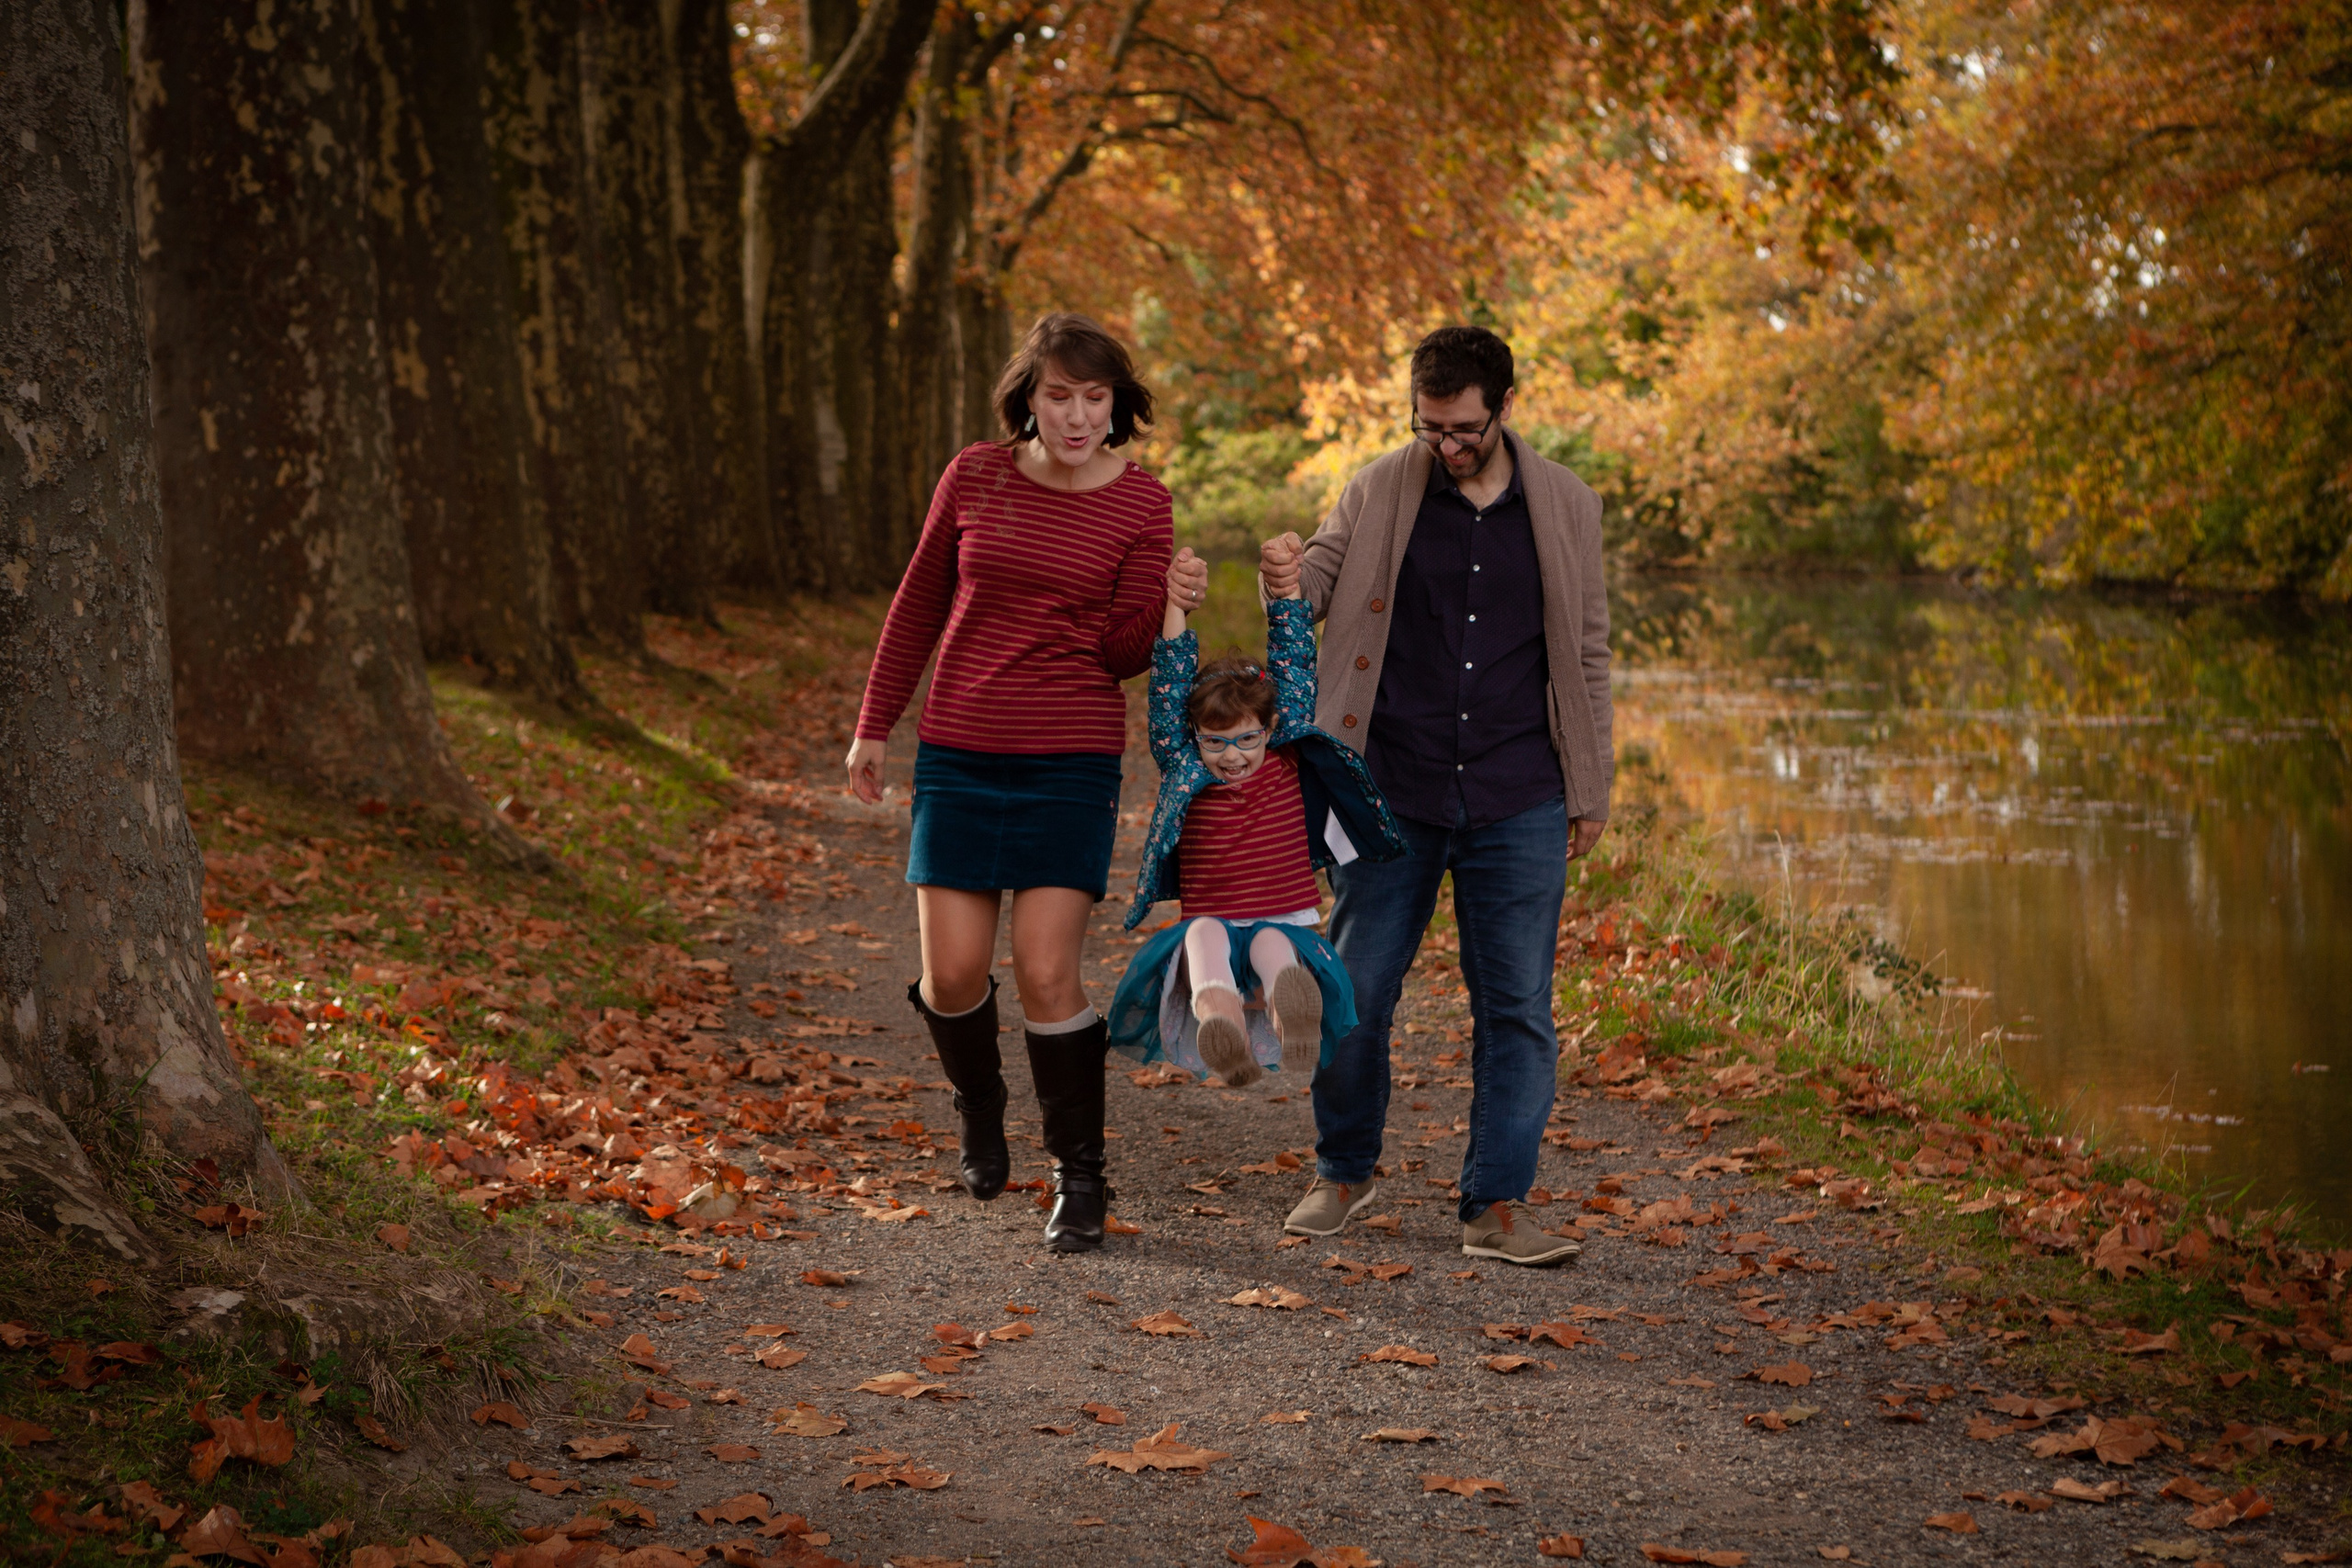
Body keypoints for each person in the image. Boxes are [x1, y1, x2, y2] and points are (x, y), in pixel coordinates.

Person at [1258, 325, 1611, 1267]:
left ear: (1504, 407)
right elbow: (1321, 582)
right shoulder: (1380, 485)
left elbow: (1585, 652)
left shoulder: (1568, 505)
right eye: (1428, 426)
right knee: (1355, 992)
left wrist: (1591, 787)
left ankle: (1494, 1206)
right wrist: (1284, 580)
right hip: (1388, 787)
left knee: (1516, 1007)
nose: (1445, 445)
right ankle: (1344, 1171)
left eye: (1461, 429)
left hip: (1520, 790)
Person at [846, 312, 1171, 1254]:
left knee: (1043, 969)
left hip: (1069, 756)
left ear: (1117, 405)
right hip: (959, 746)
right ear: (1028, 398)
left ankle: (1081, 1176)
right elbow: (918, 603)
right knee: (950, 976)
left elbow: (1119, 655)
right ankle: (980, 1109)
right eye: (1059, 395)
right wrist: (874, 726)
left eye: (1094, 397)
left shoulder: (1141, 504)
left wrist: (1161, 603)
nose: (1076, 416)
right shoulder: (975, 474)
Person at [1104, 547, 1405, 1089]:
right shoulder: (1185, 765)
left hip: (1278, 914)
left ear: (1270, 729)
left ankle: (1292, 1012)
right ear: (1196, 737)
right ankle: (1222, 1029)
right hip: (1212, 915)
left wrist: (1288, 592)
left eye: (1247, 739)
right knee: (1202, 952)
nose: (1232, 755)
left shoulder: (1288, 757)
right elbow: (1170, 679)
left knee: (1273, 954)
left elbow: (1293, 663)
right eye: (1215, 741)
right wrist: (1174, 604)